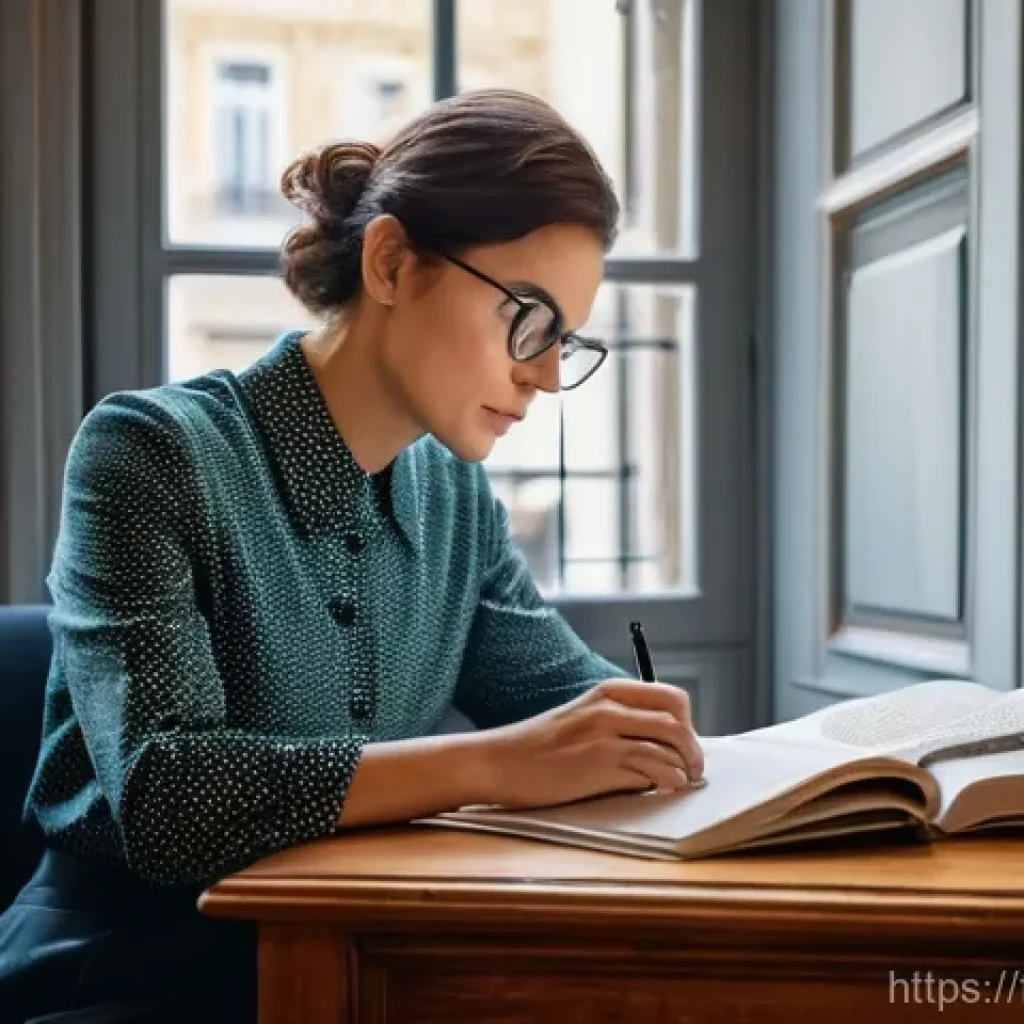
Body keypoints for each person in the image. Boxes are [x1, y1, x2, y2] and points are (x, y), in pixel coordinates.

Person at [0, 88, 703, 1022]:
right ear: (391, 262)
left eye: (564, 342)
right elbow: (167, 797)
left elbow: (573, 717)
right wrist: (495, 765)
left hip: (360, 964)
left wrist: (682, 754)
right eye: (527, 319)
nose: (542, 375)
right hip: (125, 975)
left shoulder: (456, 498)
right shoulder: (148, 451)